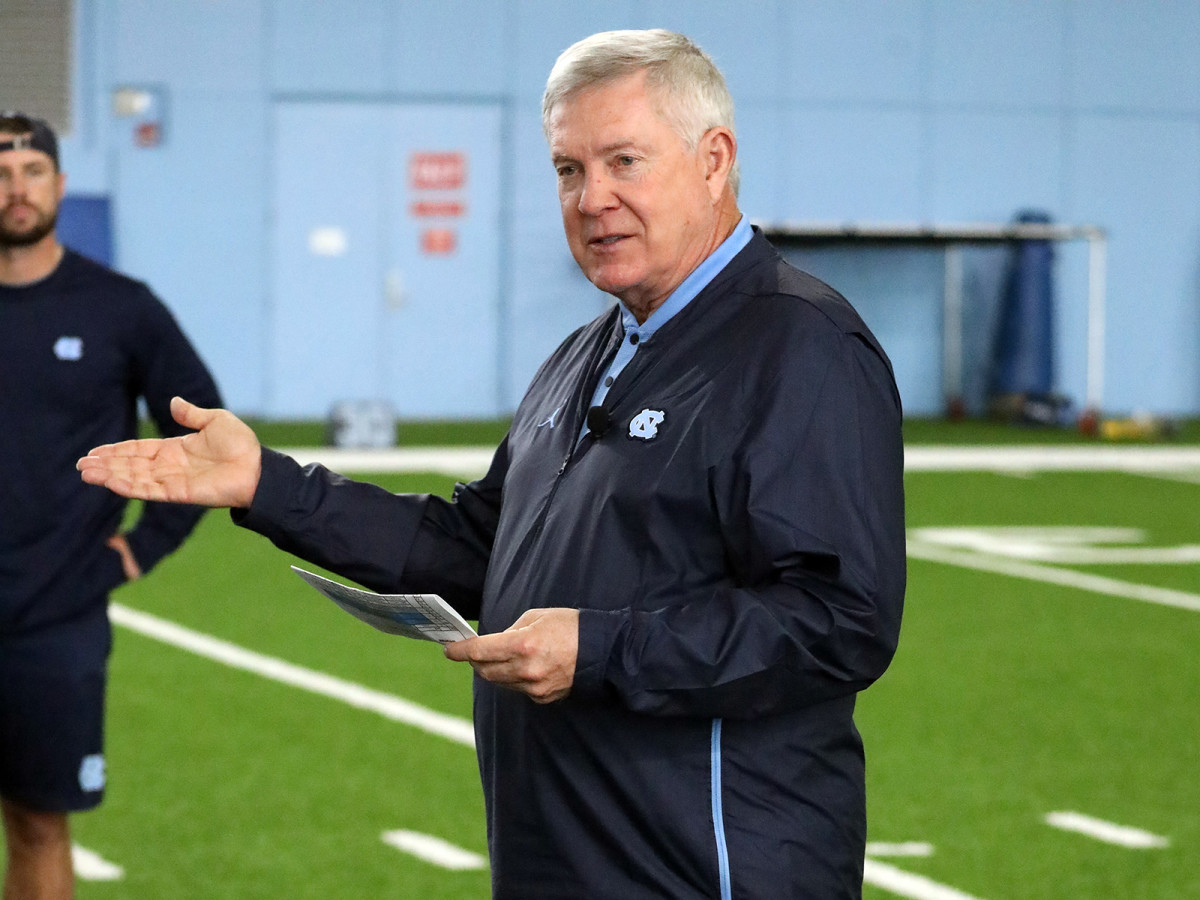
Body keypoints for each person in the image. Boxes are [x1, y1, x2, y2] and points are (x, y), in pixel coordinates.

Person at [78, 29, 905, 899]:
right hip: (563, 855)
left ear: (714, 161)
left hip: (707, 869)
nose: (593, 199)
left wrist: (600, 648)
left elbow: (837, 620)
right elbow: (483, 548)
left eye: (625, 160)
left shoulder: (799, 345)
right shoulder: (588, 352)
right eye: (568, 170)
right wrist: (266, 485)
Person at [1, 111, 222, 899]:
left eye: (32, 172)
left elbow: (203, 433)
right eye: (1, 172)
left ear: (59, 186)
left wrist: (141, 545)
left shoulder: (119, 309)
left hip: (55, 617)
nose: (15, 189)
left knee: (37, 825)